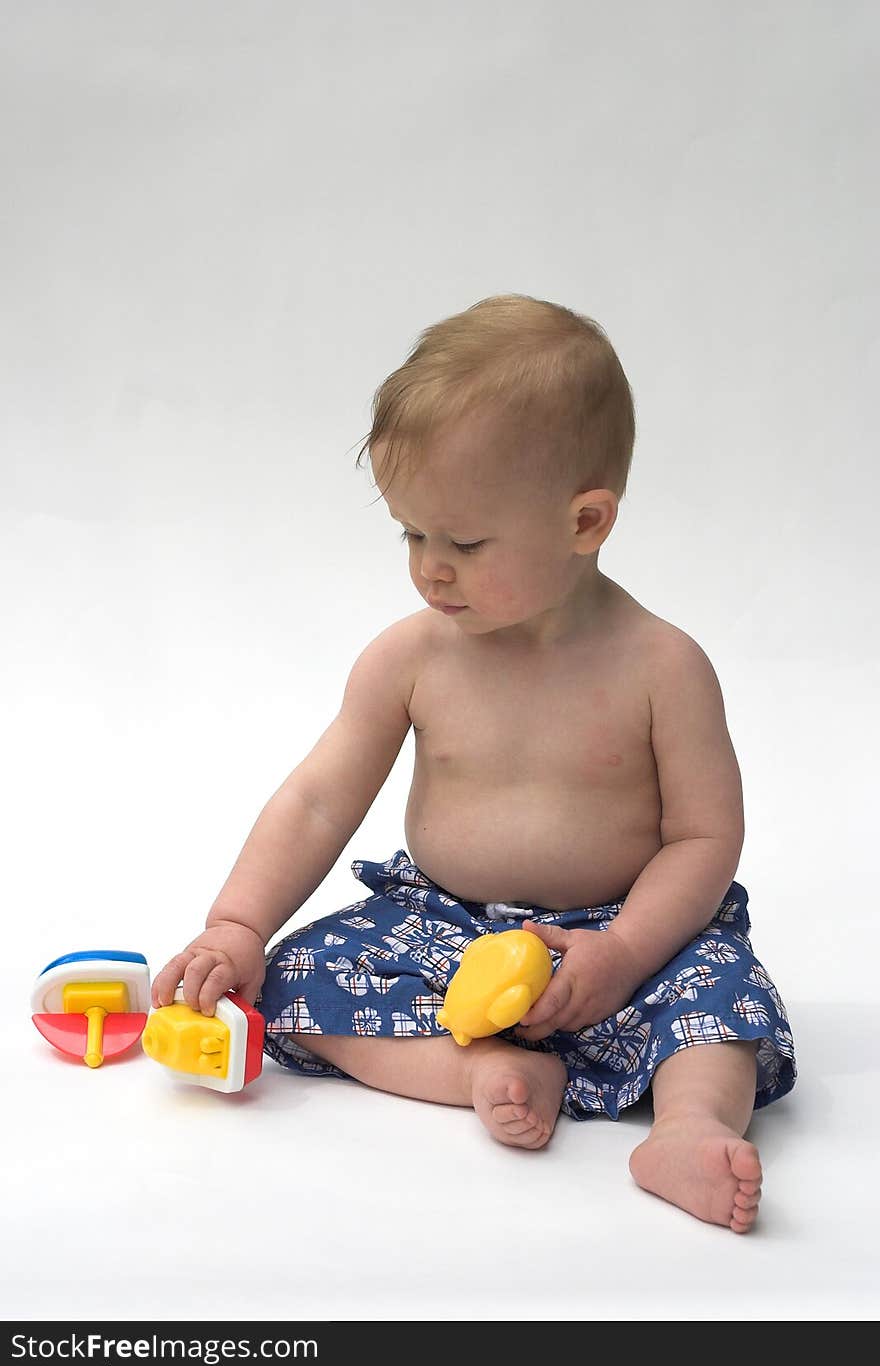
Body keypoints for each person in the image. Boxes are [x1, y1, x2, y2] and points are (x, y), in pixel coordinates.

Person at [152, 293, 795, 1234]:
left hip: (622, 934)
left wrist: (624, 951)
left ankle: (688, 1128)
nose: (429, 568)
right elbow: (319, 800)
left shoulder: (663, 667)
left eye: (463, 541)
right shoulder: (410, 658)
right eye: (411, 534)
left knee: (722, 994)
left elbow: (705, 837)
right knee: (292, 981)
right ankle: (484, 1070)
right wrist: (238, 923)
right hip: (440, 924)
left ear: (586, 521)